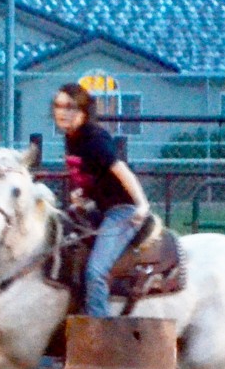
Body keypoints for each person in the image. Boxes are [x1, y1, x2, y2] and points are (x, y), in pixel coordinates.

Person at [51, 82, 153, 318]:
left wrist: (142, 204)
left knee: (95, 271)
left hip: (122, 210)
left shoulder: (94, 139)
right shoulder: (72, 138)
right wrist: (81, 196)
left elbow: (121, 170)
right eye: (58, 106)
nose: (62, 112)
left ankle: (101, 331)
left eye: (70, 106)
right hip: (101, 209)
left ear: (83, 111)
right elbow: (94, 175)